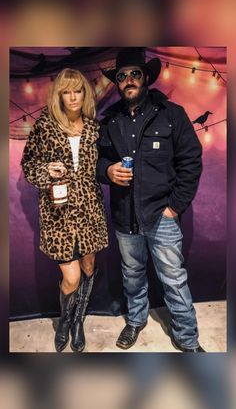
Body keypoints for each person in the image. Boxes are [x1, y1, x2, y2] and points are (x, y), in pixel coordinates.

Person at [97, 47, 205, 352]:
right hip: (124, 217)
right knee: (132, 276)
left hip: (162, 215)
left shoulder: (172, 115)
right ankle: (135, 320)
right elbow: (97, 160)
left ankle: (187, 339)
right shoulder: (110, 121)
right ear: (117, 83)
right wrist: (107, 170)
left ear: (145, 78)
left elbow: (191, 161)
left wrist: (174, 207)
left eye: (134, 73)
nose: (129, 80)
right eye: (122, 76)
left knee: (173, 279)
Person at [21, 68, 108, 353]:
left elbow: (101, 167)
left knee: (88, 267)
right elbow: (28, 165)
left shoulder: (95, 128)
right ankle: (64, 320)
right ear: (58, 95)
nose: (73, 97)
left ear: (85, 93)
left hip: (90, 210)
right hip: (58, 213)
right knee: (70, 278)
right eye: (66, 91)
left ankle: (79, 321)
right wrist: (46, 169)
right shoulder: (44, 126)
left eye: (78, 90)